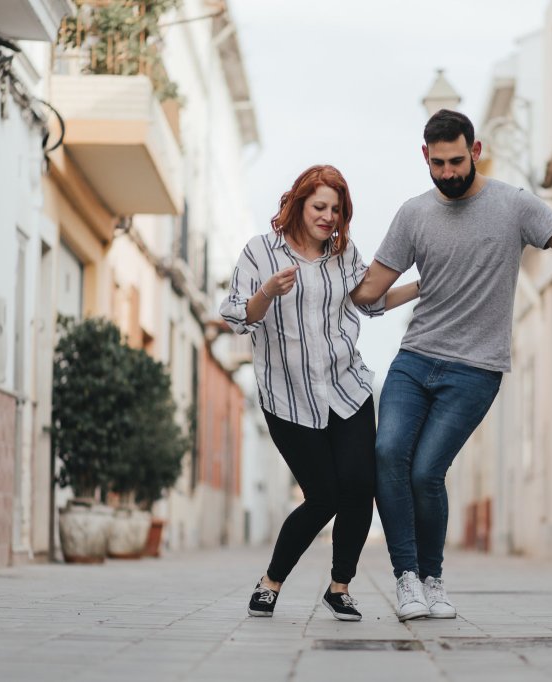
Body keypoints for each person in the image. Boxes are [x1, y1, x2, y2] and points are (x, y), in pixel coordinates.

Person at [351, 109, 552, 621]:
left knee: (426, 472)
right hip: (415, 359)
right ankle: (407, 580)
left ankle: (433, 580)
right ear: (425, 157)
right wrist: (329, 254)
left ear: (475, 151)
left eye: (456, 161)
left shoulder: (515, 206)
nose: (447, 173)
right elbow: (366, 292)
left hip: (475, 370)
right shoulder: (413, 214)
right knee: (388, 453)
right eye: (437, 163)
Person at [220, 164, 420, 622]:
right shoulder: (260, 253)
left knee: (359, 486)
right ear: (298, 203)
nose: (328, 217)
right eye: (320, 207)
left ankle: (340, 587)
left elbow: (372, 300)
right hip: (287, 397)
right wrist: (268, 291)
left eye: (336, 209)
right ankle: (270, 582)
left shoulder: (345, 256)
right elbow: (237, 316)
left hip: (347, 387)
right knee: (323, 495)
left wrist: (423, 286)